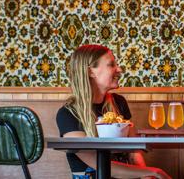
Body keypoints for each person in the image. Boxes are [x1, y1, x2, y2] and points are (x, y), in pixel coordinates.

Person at [56, 44, 171, 179]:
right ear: (90, 72)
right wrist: (151, 172)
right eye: (111, 65)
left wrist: (145, 175)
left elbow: (134, 152)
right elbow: (96, 163)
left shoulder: (118, 103)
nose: (120, 69)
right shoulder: (68, 113)